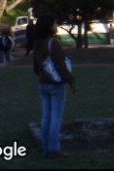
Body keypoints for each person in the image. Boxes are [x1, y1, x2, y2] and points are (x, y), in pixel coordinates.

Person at [33, 14, 75, 159]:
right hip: (55, 84)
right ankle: (54, 149)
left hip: (43, 83)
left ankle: (46, 148)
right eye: (55, 23)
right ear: (49, 26)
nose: (57, 25)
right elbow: (61, 65)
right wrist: (70, 80)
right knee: (56, 117)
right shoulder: (53, 42)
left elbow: (36, 67)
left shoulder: (37, 42)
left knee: (46, 116)